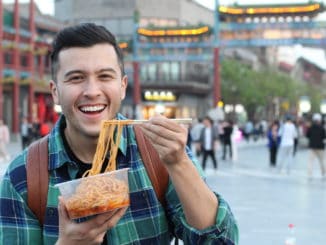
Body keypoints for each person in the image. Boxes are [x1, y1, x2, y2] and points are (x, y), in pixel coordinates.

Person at [0, 23, 238, 244]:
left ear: (122, 86)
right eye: (76, 78)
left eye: (105, 76)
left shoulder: (158, 152)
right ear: (55, 92)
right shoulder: (24, 177)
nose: (92, 91)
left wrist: (179, 164)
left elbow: (220, 241)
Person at [306, 113, 326, 179]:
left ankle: (310, 174)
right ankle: (323, 173)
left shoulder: (311, 127)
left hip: (312, 146)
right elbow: (324, 136)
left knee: (310, 161)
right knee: (322, 160)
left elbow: (307, 135)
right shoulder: (322, 127)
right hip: (320, 147)